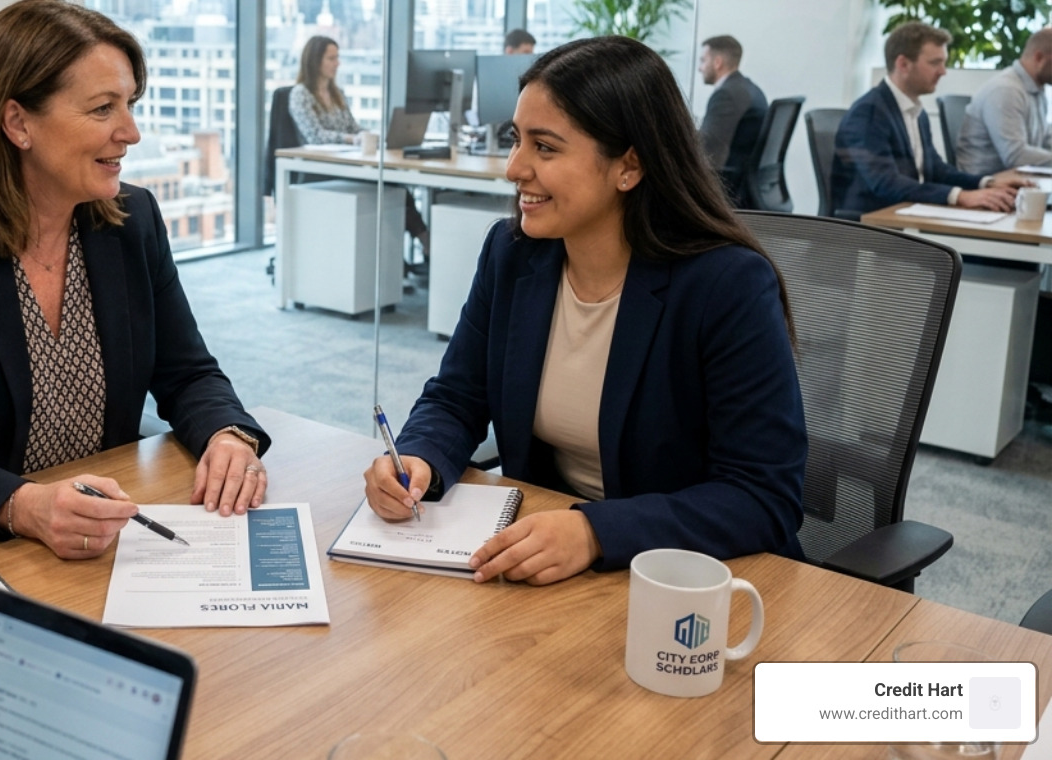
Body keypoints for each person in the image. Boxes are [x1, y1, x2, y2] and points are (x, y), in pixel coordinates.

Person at [0, 0, 270, 558]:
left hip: (88, 541)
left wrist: (226, 434)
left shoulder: (132, 223)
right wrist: (21, 504)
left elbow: (188, 373)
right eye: (102, 109)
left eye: (130, 104)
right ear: (18, 122)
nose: (131, 132)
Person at [362, 36, 807, 586]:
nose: (514, 168)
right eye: (516, 140)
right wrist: (418, 460)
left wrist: (596, 531)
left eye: (545, 148)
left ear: (630, 166)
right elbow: (458, 395)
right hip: (551, 566)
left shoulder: (725, 285)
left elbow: (763, 496)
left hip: (695, 583)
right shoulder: (512, 255)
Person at [832, 22, 1031, 217]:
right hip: (872, 223)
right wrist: (960, 196)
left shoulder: (917, 112)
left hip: (908, 215)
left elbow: (936, 170)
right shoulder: (869, 113)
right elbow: (886, 183)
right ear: (903, 64)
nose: (943, 71)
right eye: (935, 63)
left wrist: (986, 183)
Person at [288, 34, 431, 256]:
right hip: (322, 169)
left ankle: (404, 252)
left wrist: (366, 134)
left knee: (396, 188)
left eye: (337, 57)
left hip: (348, 162)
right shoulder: (300, 95)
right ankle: (425, 241)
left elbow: (352, 126)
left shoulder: (337, 94)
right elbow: (314, 135)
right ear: (315, 61)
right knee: (395, 188)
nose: (337, 63)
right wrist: (351, 139)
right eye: (331, 58)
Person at [955, 27, 1052, 174]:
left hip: (1016, 180)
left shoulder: (1037, 91)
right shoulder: (1006, 90)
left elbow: (1045, 141)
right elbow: (1016, 156)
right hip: (985, 185)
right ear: (1039, 58)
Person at [696, 34, 768, 207]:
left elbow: (705, 147)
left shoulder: (726, 95)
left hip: (729, 188)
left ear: (717, 62)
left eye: (703, 61)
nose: (700, 68)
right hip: (745, 185)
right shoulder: (749, 89)